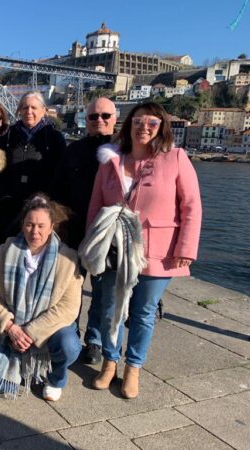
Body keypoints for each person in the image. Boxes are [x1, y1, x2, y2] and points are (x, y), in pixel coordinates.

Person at [85, 101, 202, 399]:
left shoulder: (175, 158)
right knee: (111, 310)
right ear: (129, 125)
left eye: (152, 122)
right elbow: (96, 207)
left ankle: (133, 367)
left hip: (158, 250)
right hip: (114, 249)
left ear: (161, 126)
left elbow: (191, 206)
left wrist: (186, 246)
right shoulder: (111, 161)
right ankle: (110, 362)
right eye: (138, 121)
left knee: (143, 312)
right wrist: (91, 248)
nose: (144, 127)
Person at [0, 193, 82, 401]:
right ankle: (15, 364)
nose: (34, 231)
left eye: (41, 225)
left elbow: (69, 307)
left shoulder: (68, 258)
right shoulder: (4, 252)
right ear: (22, 224)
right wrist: (10, 327)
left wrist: (29, 332)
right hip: (13, 329)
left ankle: (56, 378)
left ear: (52, 226)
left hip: (46, 330)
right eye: (29, 224)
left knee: (69, 345)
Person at [54, 97, 117, 365]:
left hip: (109, 234)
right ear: (85, 120)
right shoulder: (73, 151)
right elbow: (57, 190)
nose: (99, 120)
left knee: (104, 291)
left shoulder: (124, 152)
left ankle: (94, 340)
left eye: (105, 116)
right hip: (75, 229)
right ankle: (71, 333)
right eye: (93, 116)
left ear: (115, 118)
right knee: (72, 286)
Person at [0, 91, 66, 268]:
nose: (29, 111)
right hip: (7, 210)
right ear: (19, 110)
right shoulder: (7, 137)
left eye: (34, 107)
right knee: (0, 259)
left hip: (39, 211)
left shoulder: (54, 138)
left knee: (32, 262)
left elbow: (60, 175)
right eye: (25, 107)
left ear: (44, 110)